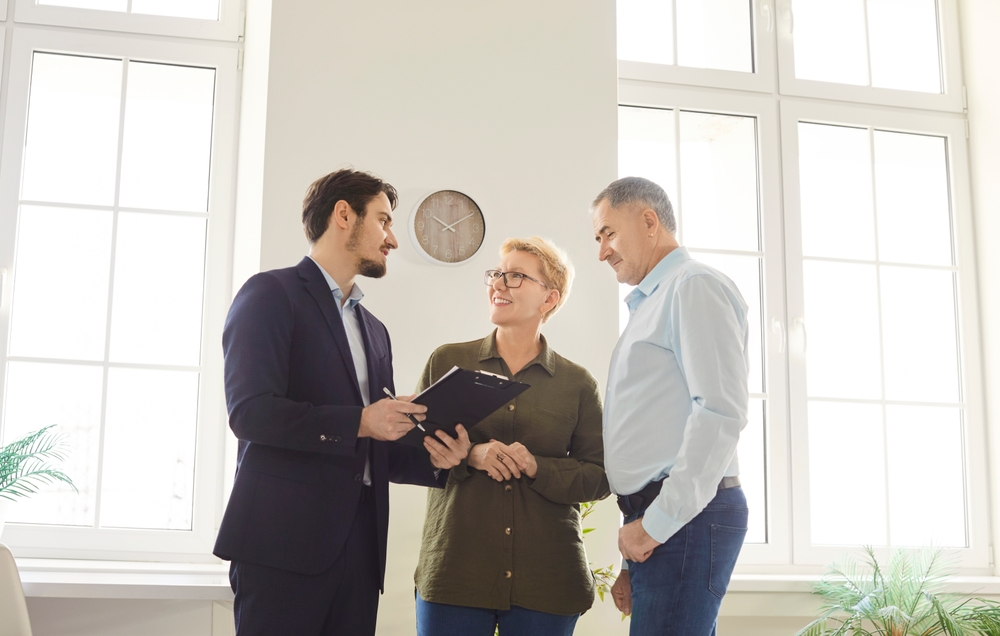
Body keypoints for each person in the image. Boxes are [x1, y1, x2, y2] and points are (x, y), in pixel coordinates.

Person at [214, 168, 471, 636]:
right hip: (281, 546)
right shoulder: (270, 294)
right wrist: (362, 421)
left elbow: (376, 446)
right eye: (383, 220)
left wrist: (437, 459)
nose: (392, 238)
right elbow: (250, 413)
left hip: (361, 552)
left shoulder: (374, 330)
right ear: (343, 215)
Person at [413, 237, 610, 636]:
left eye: (516, 276)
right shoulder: (447, 361)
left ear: (549, 299)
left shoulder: (578, 384)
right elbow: (413, 453)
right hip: (455, 573)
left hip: (547, 582)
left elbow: (601, 477)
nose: (498, 284)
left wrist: (538, 467)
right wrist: (470, 455)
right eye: (497, 274)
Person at [592, 176, 750, 635]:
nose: (602, 252)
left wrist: (655, 526)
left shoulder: (693, 285)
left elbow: (719, 411)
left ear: (649, 221)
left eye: (608, 233)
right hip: (663, 520)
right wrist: (635, 546)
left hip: (684, 519)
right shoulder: (654, 301)